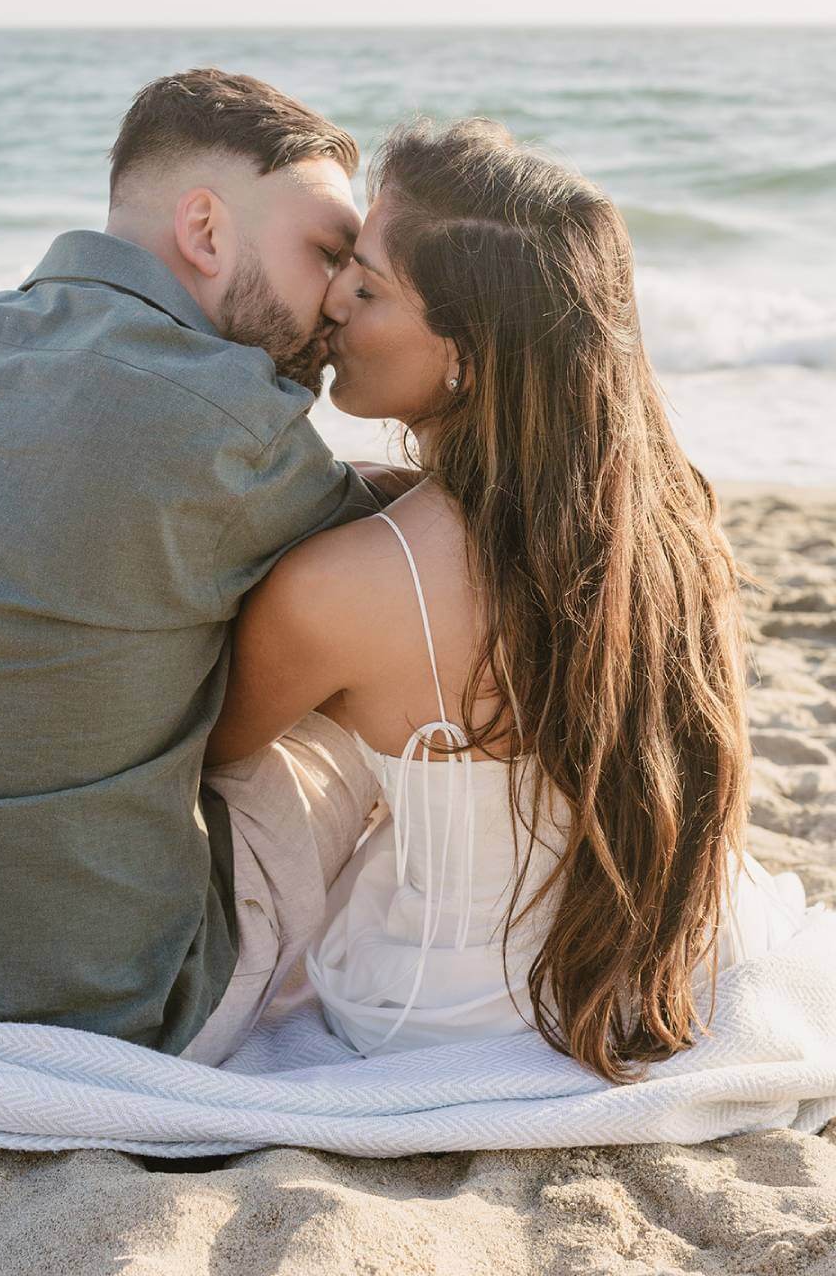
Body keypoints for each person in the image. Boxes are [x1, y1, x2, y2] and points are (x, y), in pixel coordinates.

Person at [205, 118, 811, 1082]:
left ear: (470, 356)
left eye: (367, 287)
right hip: (675, 963)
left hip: (444, 1011)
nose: (330, 306)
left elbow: (214, 747)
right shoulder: (665, 521)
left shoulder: (345, 584)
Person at [0, 68, 412, 1057]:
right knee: (362, 702)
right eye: (326, 251)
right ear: (206, 230)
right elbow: (413, 568)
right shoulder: (228, 417)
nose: (338, 300)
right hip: (118, 1000)